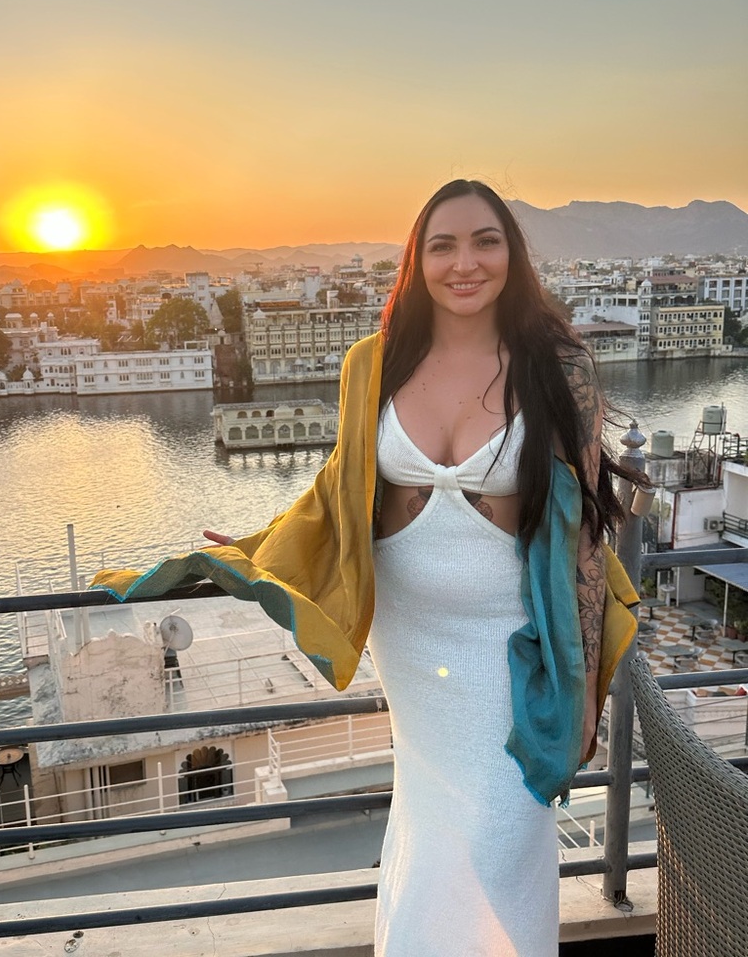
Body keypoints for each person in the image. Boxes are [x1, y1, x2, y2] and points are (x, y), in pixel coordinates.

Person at [92, 179, 639, 956]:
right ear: (417, 261)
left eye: (485, 241)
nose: (464, 264)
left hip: (508, 644)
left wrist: (584, 688)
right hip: (411, 646)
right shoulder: (374, 364)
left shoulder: (558, 367)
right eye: (442, 246)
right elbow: (339, 491)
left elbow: (584, 533)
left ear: (512, 255)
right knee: (433, 836)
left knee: (499, 833)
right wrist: (252, 550)